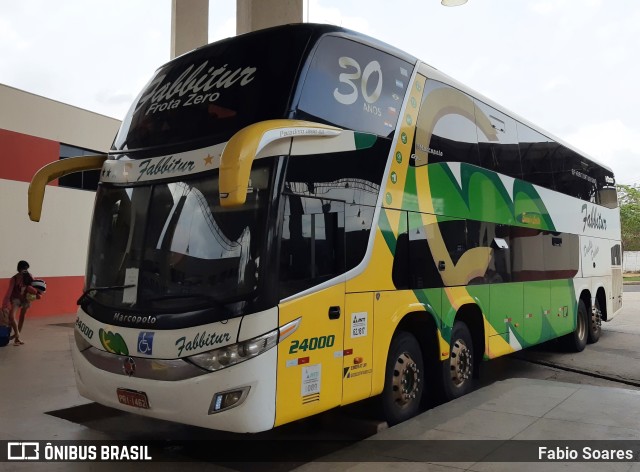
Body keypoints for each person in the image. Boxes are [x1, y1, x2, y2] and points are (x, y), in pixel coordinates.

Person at [2, 260, 40, 346]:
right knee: (12, 317)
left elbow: (35, 288)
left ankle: (17, 338)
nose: (24, 270)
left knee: (22, 316)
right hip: (16, 299)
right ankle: (17, 334)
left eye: (26, 268)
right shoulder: (14, 279)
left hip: (26, 299)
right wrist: (5, 303)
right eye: (23, 268)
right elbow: (9, 291)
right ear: (19, 269)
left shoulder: (29, 276)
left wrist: (37, 294)